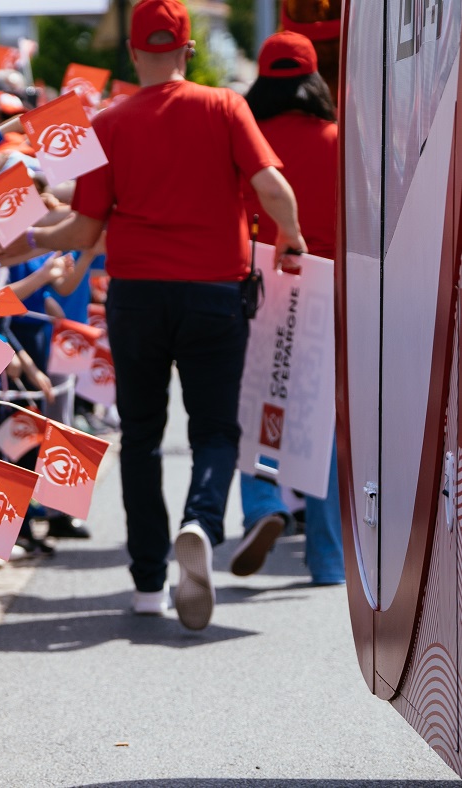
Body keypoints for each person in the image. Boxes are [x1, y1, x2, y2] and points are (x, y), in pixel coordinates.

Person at [26, 0, 305, 631]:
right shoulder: (225, 106)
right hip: (215, 291)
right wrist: (290, 237)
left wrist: (27, 240)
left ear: (133, 52)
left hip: (137, 294)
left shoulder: (108, 122)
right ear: (188, 49)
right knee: (215, 429)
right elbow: (270, 186)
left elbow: (85, 227)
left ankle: (148, 582)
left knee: (143, 436)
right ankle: (200, 522)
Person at [232, 30, 344, 586]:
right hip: (329, 286)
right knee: (322, 419)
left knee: (258, 403)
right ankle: (328, 559)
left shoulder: (245, 140)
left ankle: (262, 504)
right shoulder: (341, 139)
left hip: (258, 278)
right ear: (315, 78)